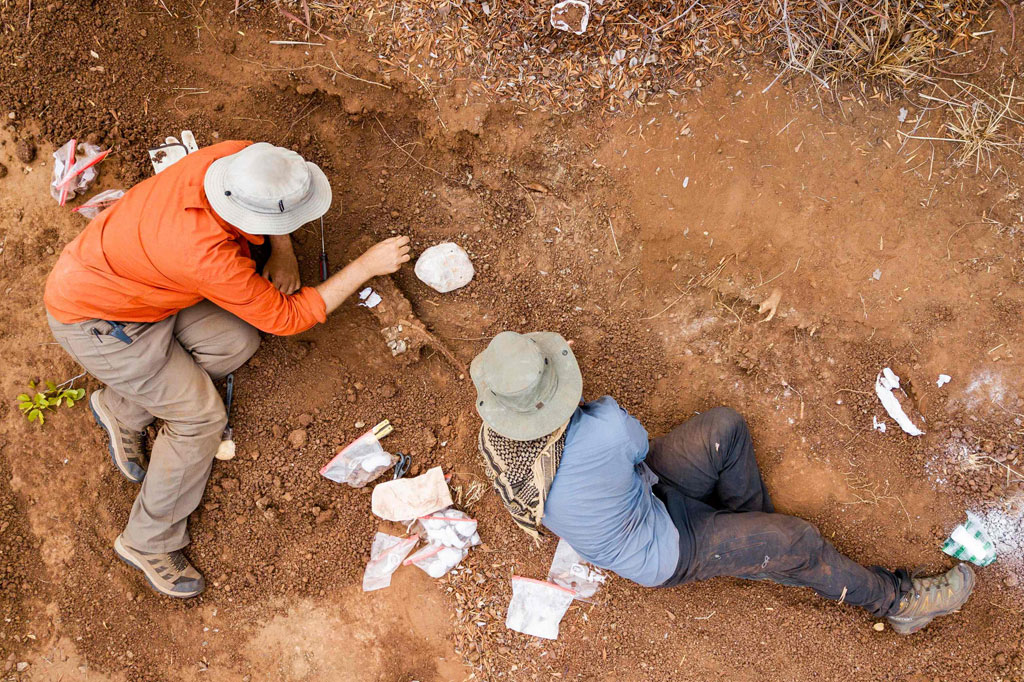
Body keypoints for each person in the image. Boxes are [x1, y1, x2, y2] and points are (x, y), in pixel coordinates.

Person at [44, 141, 410, 598]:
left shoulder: (237, 160)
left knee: (234, 340)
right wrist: (364, 267)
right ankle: (148, 540)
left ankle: (124, 410)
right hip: (101, 324)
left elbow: (270, 200)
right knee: (200, 419)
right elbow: (289, 318)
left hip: (135, 289)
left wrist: (284, 252)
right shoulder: (204, 255)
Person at [471, 331, 976, 634]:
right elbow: (637, 443)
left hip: (641, 495)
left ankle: (751, 540)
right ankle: (897, 603)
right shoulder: (602, 430)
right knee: (796, 540)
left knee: (724, 429)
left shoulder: (501, 441)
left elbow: (624, 460)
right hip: (661, 548)